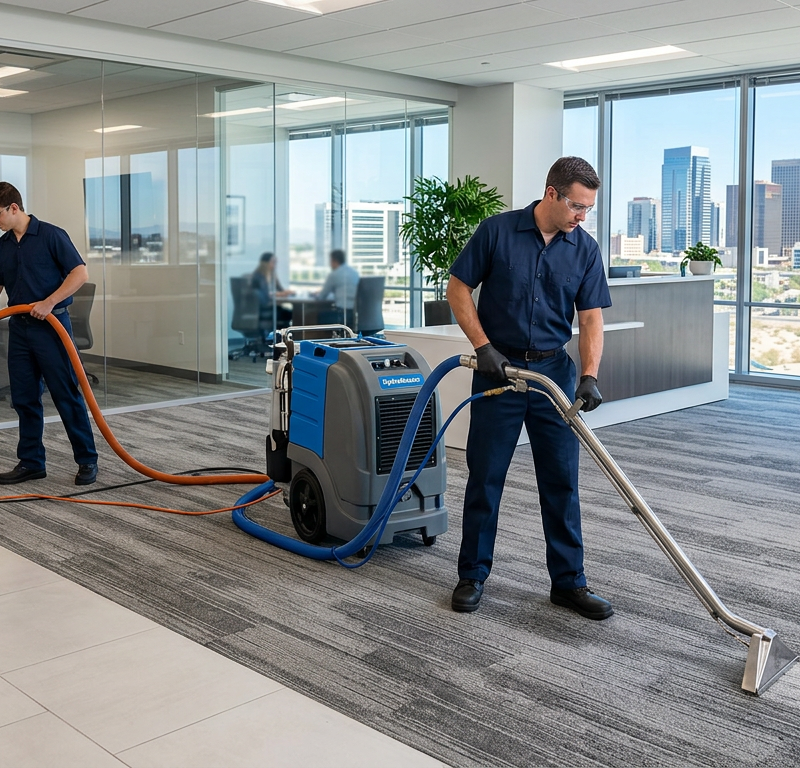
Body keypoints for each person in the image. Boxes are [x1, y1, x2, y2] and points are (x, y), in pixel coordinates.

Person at [447, 156, 613, 620]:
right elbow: (458, 288)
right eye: (578, 206)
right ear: (552, 194)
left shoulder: (584, 249)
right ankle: (472, 575)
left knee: (561, 481)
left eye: (589, 209)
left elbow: (591, 317)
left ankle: (569, 583)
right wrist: (482, 348)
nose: (583, 216)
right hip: (499, 372)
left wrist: (590, 374)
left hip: (552, 377)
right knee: (486, 476)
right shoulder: (497, 232)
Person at [0, 182, 98, 486]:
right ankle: (31, 462)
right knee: (24, 397)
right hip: (19, 329)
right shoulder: (2, 246)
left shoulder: (51, 235)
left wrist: (50, 301)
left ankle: (87, 461)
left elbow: (80, 273)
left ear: (13, 208)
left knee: (65, 394)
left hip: (52, 328)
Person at [316, 249, 359, 327]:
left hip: (340, 315)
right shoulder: (354, 273)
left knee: (318, 316)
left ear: (334, 261)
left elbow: (322, 296)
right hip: (353, 314)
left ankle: (325, 338)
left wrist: (316, 295)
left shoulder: (334, 274)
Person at [251, 252, 292, 326]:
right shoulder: (259, 276)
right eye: (273, 262)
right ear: (265, 263)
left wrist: (285, 292)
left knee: (290, 313)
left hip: (270, 306)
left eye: (276, 262)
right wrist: (279, 294)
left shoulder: (272, 274)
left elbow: (280, 289)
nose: (275, 265)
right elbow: (264, 297)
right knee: (290, 314)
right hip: (263, 309)